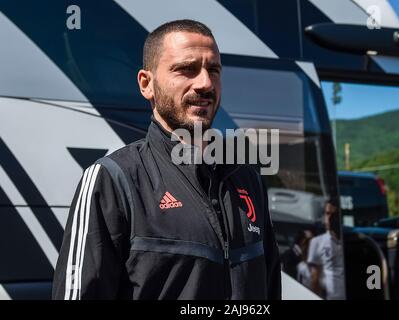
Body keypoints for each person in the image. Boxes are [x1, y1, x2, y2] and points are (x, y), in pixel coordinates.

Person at [52, 19, 281, 300]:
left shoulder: (246, 178)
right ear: (147, 84)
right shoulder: (112, 179)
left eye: (214, 70)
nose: (205, 83)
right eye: (187, 69)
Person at [307, 200, 345, 300]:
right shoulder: (317, 242)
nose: (330, 218)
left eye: (334, 215)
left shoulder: (350, 239)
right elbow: (314, 279)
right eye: (327, 214)